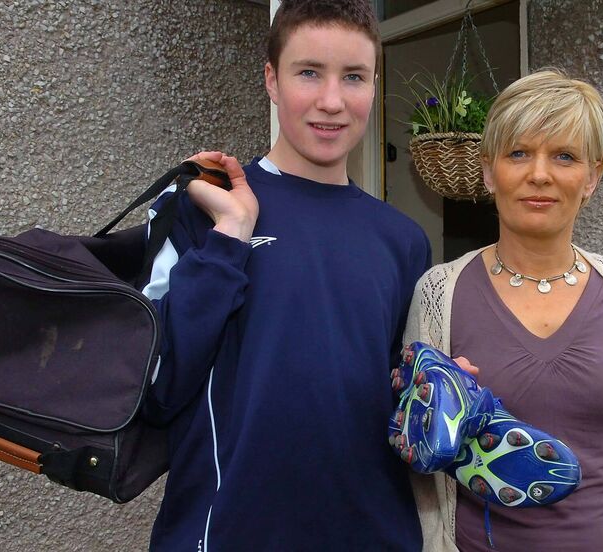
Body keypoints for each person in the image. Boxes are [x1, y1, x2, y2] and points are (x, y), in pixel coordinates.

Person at [140, 1, 430, 550]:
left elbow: (395, 398)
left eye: (354, 77)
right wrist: (231, 235)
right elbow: (157, 388)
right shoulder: (199, 206)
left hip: (374, 533)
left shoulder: (403, 239)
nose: (331, 101)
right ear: (272, 79)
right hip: (227, 531)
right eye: (308, 72)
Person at [404, 69, 603, 551]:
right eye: (518, 153)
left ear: (593, 176)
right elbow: (417, 455)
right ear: (489, 170)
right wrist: (439, 413)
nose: (539, 174)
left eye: (565, 156)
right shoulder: (439, 294)